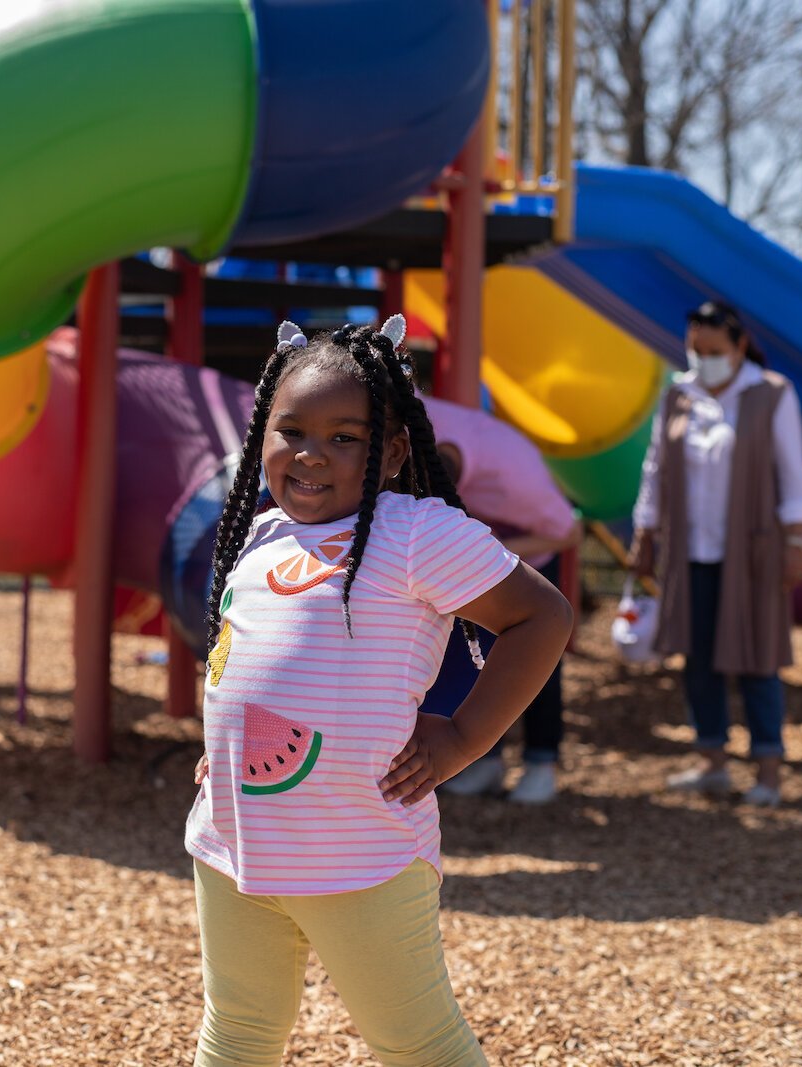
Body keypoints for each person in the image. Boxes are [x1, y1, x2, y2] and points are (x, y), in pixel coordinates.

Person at [186, 317, 572, 1065]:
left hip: (360, 855)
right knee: (236, 1036)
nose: (310, 454)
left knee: (420, 1046)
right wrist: (220, 746)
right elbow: (239, 657)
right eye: (291, 430)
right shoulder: (258, 536)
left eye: (344, 438)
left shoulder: (416, 531)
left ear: (393, 452)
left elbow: (542, 616)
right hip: (231, 849)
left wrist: (461, 738)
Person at [628, 300, 802, 807]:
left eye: (714, 350)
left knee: (757, 655)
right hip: (691, 549)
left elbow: (791, 471)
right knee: (698, 657)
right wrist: (645, 534)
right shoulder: (678, 394)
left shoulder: (770, 394)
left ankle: (769, 769)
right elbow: (654, 466)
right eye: (696, 349)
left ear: (738, 347)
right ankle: (712, 760)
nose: (704, 358)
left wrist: (797, 541)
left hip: (753, 549)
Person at [420, 397, 581, 805]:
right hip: (475, 546)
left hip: (525, 554)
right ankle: (486, 760)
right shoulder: (416, 420)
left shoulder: (516, 482)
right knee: (472, 656)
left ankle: (541, 761)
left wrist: (493, 550)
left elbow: (567, 532)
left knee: (537, 658)